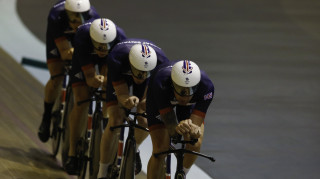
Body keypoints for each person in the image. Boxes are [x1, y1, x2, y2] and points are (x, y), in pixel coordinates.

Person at [97, 38, 170, 179]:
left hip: (151, 79)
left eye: (144, 74)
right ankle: (102, 172)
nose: (140, 77)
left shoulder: (162, 65)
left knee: (144, 120)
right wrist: (126, 100)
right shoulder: (116, 58)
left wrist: (144, 103)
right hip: (121, 74)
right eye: (138, 73)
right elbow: (122, 94)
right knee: (115, 121)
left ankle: (134, 149)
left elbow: (149, 99)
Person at [64, 18, 127, 175]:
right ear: (92, 39)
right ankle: (72, 152)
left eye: (106, 46)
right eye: (99, 46)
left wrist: (106, 82)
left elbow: (116, 74)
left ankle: (104, 120)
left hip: (110, 61)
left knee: (109, 89)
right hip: (85, 57)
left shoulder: (120, 40)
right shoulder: (82, 36)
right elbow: (90, 76)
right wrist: (93, 79)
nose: (102, 49)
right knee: (81, 101)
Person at [38, 0, 99, 143]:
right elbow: (65, 53)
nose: (77, 22)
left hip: (84, 37)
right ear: (67, 14)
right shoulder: (56, 16)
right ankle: (46, 116)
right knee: (56, 77)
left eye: (80, 19)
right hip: (61, 35)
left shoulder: (94, 18)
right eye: (73, 19)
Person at [146, 60, 214, 178]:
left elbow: (195, 128)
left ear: (197, 85)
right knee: (160, 149)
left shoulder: (207, 86)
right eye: (181, 90)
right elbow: (172, 126)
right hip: (162, 99)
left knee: (195, 143)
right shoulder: (161, 81)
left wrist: (194, 130)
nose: (185, 96)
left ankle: (182, 174)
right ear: (173, 84)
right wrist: (177, 128)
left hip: (188, 105)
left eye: (190, 90)